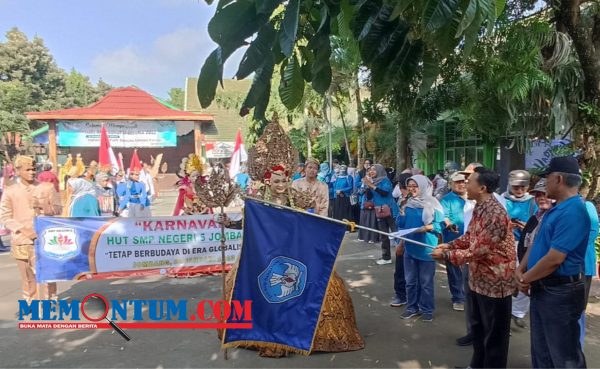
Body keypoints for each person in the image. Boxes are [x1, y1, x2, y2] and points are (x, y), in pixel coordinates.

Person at [220, 120, 364, 357]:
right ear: (268, 181)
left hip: (294, 255)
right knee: (249, 288)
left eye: (284, 180)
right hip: (263, 256)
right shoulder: (257, 205)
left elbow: (311, 223)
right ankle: (259, 333)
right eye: (276, 181)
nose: (281, 185)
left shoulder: (296, 199)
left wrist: (339, 226)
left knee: (324, 287)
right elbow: (246, 225)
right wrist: (228, 223)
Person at [432, 166, 516, 368]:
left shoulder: (495, 213)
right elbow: (470, 237)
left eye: (470, 181)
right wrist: (450, 244)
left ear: (483, 187)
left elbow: (478, 251)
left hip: (496, 285)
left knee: (494, 337)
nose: (465, 184)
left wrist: (445, 254)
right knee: (478, 330)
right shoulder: (479, 206)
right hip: (479, 280)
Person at [516, 156, 589, 368]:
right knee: (542, 350)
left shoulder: (574, 211)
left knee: (564, 355)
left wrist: (525, 279)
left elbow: (554, 259)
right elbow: (537, 242)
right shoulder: (555, 209)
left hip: (561, 292)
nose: (544, 182)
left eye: (546, 178)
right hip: (544, 287)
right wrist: (520, 269)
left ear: (558, 179)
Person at [0, 156, 62, 302]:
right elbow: (5, 216)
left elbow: (58, 210)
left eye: (34, 169)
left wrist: (44, 207)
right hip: (22, 240)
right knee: (28, 276)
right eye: (27, 169)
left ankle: (49, 299)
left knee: (47, 273)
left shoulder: (46, 187)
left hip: (44, 238)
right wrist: (23, 229)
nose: (32, 172)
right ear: (18, 171)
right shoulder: (10, 191)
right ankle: (31, 302)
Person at [397, 175, 443, 321]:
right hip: (410, 248)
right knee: (410, 281)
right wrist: (402, 210)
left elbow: (441, 225)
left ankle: (427, 310)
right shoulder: (408, 203)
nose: (411, 189)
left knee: (426, 283)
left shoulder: (434, 203)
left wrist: (428, 228)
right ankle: (412, 308)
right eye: (409, 186)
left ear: (422, 186)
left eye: (414, 186)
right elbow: (401, 224)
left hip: (426, 248)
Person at [503, 170, 536, 328]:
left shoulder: (533, 201)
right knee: (505, 276)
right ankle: (504, 308)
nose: (520, 191)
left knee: (523, 277)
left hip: (525, 245)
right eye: (516, 187)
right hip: (505, 243)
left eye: (523, 187)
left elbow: (538, 221)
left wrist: (526, 227)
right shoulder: (502, 199)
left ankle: (518, 312)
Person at [439, 172, 470, 312]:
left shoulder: (473, 198)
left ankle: (470, 296)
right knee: (455, 271)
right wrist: (449, 224)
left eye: (463, 181)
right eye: (457, 182)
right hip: (452, 241)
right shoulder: (446, 200)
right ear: (451, 184)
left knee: (470, 271)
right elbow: (443, 216)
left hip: (472, 241)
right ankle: (458, 298)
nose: (461, 184)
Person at [362, 164, 399, 265]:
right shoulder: (373, 182)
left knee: (397, 233)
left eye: (374, 169)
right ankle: (386, 257)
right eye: (370, 170)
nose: (371, 171)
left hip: (390, 209)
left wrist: (371, 185)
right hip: (379, 210)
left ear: (380, 170)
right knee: (384, 234)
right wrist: (367, 187)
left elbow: (385, 193)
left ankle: (403, 255)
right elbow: (369, 197)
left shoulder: (385, 180)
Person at [580, 187, 598, 350]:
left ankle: (577, 346)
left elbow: (593, 230)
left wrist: (571, 247)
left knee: (579, 309)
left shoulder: (587, 205)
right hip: (567, 267)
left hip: (584, 265)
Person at [389, 173, 411, 307]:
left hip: (410, 240)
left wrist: (401, 243)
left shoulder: (412, 201)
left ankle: (405, 295)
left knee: (406, 270)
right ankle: (401, 295)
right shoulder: (401, 200)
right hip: (402, 238)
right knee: (400, 269)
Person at [356, 161, 379, 244]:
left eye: (372, 170)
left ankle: (372, 238)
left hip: (374, 203)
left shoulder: (378, 180)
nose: (370, 172)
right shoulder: (364, 181)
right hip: (364, 203)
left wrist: (370, 185)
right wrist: (364, 185)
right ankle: (364, 237)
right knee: (364, 220)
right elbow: (360, 192)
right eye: (368, 171)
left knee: (372, 220)